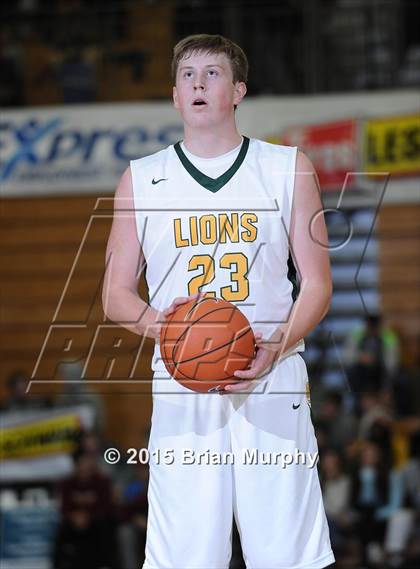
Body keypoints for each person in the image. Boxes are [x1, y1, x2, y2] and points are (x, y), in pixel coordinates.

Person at [102, 34, 335, 569]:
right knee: (184, 554)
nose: (199, 83)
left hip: (272, 376)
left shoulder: (287, 167)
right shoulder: (140, 179)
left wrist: (272, 348)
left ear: (238, 91)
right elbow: (116, 295)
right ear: (176, 96)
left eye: (212, 73)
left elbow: (317, 284)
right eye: (188, 75)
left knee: (288, 552)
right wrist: (174, 332)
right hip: (184, 381)